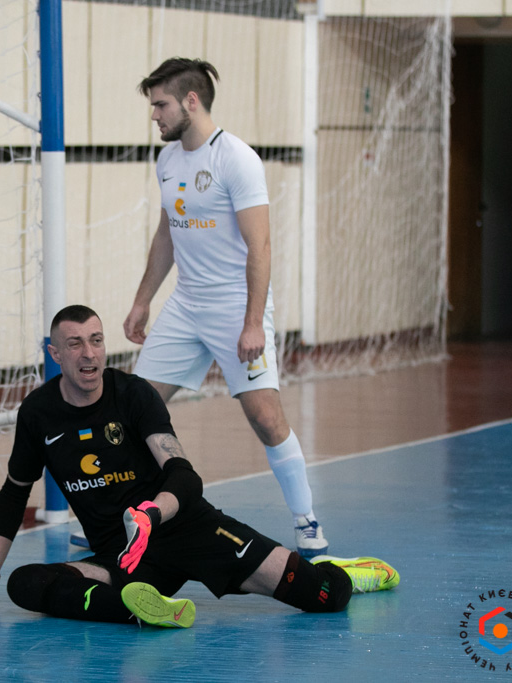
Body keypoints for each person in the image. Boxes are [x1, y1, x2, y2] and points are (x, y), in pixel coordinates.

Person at [0, 305, 399, 628]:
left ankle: (343, 571)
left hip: (187, 529)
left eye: (96, 340)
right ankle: (147, 610)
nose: (89, 353)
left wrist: (151, 514)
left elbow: (184, 475)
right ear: (55, 353)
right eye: (76, 344)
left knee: (323, 597)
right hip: (124, 557)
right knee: (27, 584)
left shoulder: (133, 395)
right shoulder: (39, 413)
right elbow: (13, 491)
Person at [122, 58, 327, 557]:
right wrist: (143, 300)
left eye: (161, 105)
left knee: (265, 417)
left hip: (236, 306)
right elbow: (168, 233)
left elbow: (261, 246)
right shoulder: (168, 160)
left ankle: (306, 521)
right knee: (131, 410)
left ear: (191, 101)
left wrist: (253, 323)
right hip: (186, 305)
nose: (155, 115)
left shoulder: (237, 159)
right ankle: (119, 520)